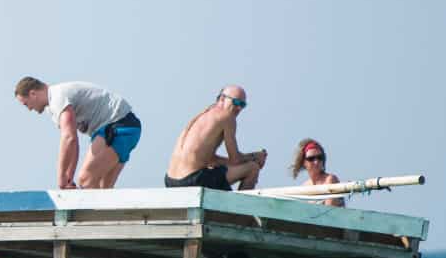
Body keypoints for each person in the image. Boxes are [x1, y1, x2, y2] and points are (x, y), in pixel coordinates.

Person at [14, 77, 142, 189]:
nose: (29, 109)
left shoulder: (57, 97)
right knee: (102, 190)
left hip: (119, 125)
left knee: (86, 181)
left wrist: (61, 178)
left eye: (26, 104)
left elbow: (69, 138)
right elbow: (73, 144)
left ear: (33, 94)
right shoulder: (53, 107)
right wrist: (68, 178)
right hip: (119, 127)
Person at [165, 86, 266, 191]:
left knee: (217, 171)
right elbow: (235, 159)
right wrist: (255, 157)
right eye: (236, 102)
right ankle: (241, 206)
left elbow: (210, 160)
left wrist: (244, 159)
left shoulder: (203, 114)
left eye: (242, 105)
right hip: (192, 180)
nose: (239, 108)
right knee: (252, 168)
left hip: (170, 181)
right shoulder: (227, 116)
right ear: (222, 99)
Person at [291, 139, 345, 208]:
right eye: (311, 159)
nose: (316, 162)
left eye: (319, 157)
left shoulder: (330, 180)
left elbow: (329, 213)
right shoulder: (304, 186)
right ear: (303, 162)